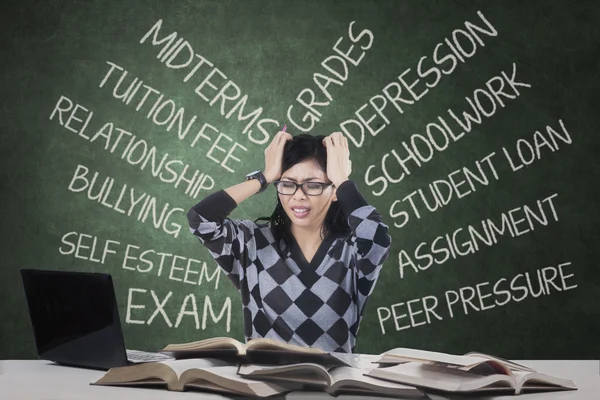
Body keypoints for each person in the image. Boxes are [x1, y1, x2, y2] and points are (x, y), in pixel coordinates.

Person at [186, 131, 392, 353]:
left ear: (335, 193)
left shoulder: (352, 251)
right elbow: (200, 219)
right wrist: (264, 176)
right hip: (263, 383)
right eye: (287, 184)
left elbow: (378, 238)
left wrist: (341, 179)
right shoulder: (251, 243)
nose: (298, 196)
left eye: (312, 185)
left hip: (332, 384)